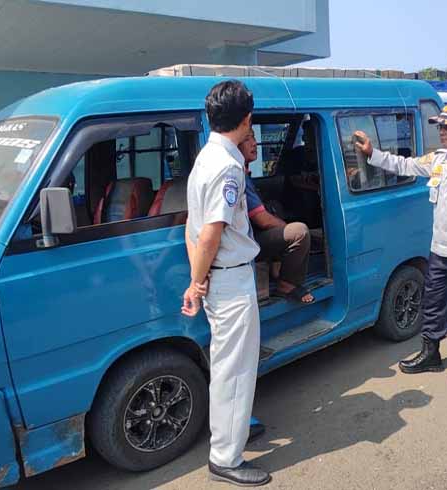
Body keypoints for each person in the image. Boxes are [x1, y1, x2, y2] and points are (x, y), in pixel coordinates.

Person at [353, 102, 447, 380]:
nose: (442, 131)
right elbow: (404, 164)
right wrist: (372, 153)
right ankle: (430, 353)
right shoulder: (438, 159)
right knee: (434, 304)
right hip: (440, 251)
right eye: (440, 127)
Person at [182, 80, 271, 486]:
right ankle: (225, 458)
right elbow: (210, 235)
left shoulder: (205, 158)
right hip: (230, 280)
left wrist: (197, 279)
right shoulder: (228, 168)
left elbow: (192, 226)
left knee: (226, 367)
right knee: (235, 372)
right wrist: (196, 282)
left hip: (218, 278)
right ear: (247, 119)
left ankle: (229, 437)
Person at [238, 132, 314, 304]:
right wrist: (286, 228)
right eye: (247, 139)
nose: (254, 143)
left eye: (254, 138)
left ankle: (276, 266)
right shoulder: (237, 175)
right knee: (299, 232)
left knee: (275, 206)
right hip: (247, 241)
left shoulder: (243, 173)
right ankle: (286, 284)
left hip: (248, 237)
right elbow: (263, 220)